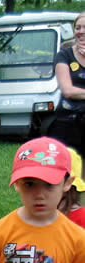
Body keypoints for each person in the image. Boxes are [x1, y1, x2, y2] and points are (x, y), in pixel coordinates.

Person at [49, 12, 85, 156]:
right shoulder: (64, 55)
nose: (81, 32)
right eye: (78, 28)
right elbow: (67, 90)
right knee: (71, 168)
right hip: (69, 122)